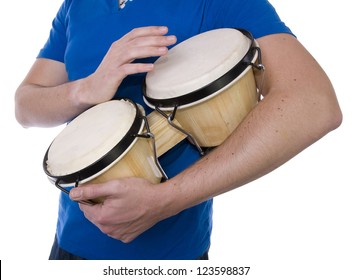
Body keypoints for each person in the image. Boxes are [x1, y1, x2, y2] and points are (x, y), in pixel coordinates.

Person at [14, 0, 342, 260]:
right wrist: (84, 89)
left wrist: (166, 200)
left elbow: (313, 102)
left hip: (172, 259)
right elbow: (25, 106)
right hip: (68, 247)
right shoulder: (76, 5)